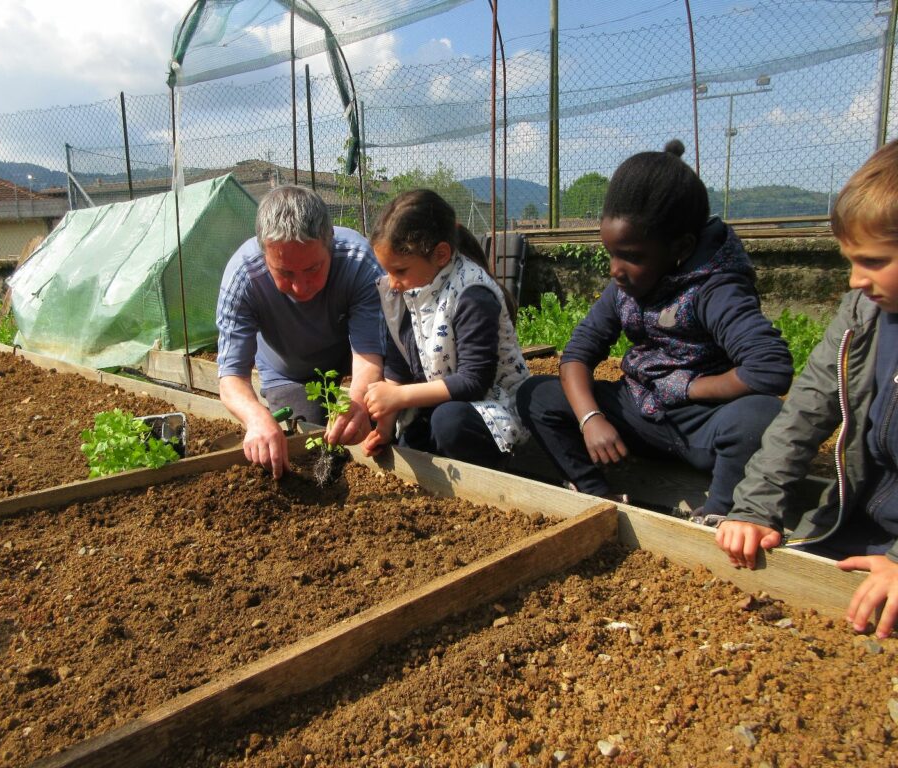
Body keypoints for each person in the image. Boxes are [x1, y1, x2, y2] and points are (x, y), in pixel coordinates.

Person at [517, 140, 793, 514]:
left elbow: (770, 368)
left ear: (681, 247)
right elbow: (578, 354)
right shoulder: (626, 286)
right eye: (611, 253)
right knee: (536, 394)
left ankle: (718, 513)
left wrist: (691, 388)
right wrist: (590, 417)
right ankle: (597, 495)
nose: (616, 269)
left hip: (702, 426)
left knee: (760, 417)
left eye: (631, 257)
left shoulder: (716, 288)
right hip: (636, 412)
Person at [717, 139, 898, 639]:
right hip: (854, 516)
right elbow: (805, 410)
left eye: (875, 261)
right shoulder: (864, 315)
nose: (855, 280)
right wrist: (755, 507)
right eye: (850, 260)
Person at [216, 185, 385, 478]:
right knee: (306, 443)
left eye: (313, 269)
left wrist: (356, 401)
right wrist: (256, 417)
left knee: (378, 426)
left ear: (329, 242)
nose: (300, 287)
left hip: (351, 357)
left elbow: (370, 353)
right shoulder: (243, 278)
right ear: (263, 252)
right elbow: (231, 377)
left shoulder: (358, 261)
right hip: (289, 372)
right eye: (284, 273)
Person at [360, 189, 529, 467]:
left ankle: (500, 474)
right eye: (387, 271)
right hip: (440, 406)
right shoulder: (407, 293)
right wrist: (385, 426)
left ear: (440, 254)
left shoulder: (472, 295)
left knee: (448, 424)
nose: (392, 282)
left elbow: (474, 381)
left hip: (494, 412)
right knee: (409, 439)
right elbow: (398, 370)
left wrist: (399, 397)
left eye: (400, 270)